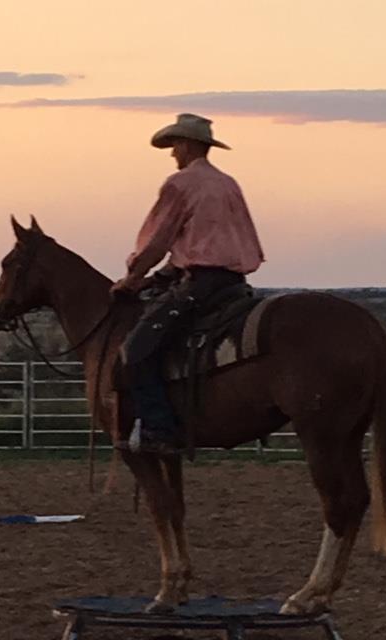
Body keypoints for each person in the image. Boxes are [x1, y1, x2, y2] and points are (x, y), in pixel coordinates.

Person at [110, 113, 264, 453]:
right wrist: (160, 277)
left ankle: (158, 429)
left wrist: (132, 279)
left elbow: (157, 241)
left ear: (187, 144)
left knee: (136, 351)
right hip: (233, 282)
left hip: (199, 285)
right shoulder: (228, 183)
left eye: (175, 145)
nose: (172, 153)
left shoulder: (180, 184)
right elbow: (201, 243)